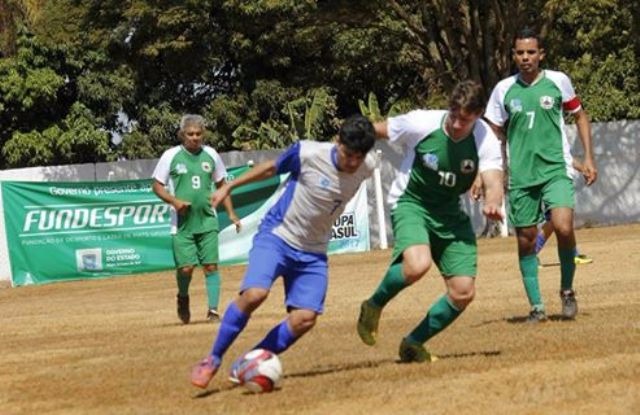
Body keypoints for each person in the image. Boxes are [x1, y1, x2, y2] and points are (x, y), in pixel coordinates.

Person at [190, 115, 378, 389]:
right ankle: (212, 359)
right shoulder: (309, 153)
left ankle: (250, 361)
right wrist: (228, 186)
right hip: (278, 236)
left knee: (305, 318)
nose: (352, 163)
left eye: (358, 158)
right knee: (255, 294)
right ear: (338, 142)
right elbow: (270, 168)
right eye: (348, 154)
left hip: (313, 252)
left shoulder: (368, 166)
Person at [356, 80, 504, 363]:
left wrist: (493, 202)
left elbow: (494, 180)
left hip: (449, 214)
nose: (458, 124)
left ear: (478, 114)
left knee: (462, 292)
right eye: (454, 115)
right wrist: (347, 140)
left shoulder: (485, 138)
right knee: (417, 264)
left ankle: (413, 343)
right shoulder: (421, 123)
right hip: (412, 203)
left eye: (466, 119)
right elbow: (374, 129)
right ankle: (373, 306)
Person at [484, 27, 598, 322]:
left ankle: (567, 290)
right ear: (513, 55)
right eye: (520, 53)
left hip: (555, 171)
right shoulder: (503, 90)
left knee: (562, 226)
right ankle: (536, 307)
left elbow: (580, 115)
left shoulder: (559, 81)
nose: (525, 58)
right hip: (521, 177)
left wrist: (588, 157)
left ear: (541, 54)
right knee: (525, 240)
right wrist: (487, 172)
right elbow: (492, 133)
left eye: (531, 52)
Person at [152, 114, 241, 325]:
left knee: (211, 266)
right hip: (182, 224)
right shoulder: (171, 155)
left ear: (204, 134)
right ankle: (183, 297)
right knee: (186, 269)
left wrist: (231, 214)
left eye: (198, 134)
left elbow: (223, 186)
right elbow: (156, 185)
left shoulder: (211, 154)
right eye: (190, 134)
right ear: (183, 134)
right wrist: (174, 202)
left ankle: (213, 311)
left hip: (207, 221)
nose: (194, 138)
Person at [536, 159, 592, 265]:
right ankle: (532, 254)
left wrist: (583, 169)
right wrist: (584, 169)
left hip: (557, 180)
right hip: (554, 181)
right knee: (555, 220)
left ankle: (572, 254)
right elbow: (566, 157)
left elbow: (567, 155)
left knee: (564, 218)